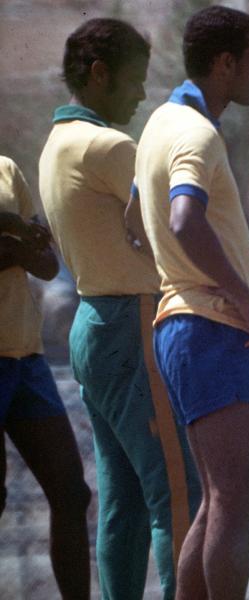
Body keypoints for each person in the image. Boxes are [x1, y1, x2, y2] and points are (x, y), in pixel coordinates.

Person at [37, 19, 201, 599]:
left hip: (92, 321)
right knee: (180, 493)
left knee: (124, 498)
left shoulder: (56, 146)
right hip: (133, 321)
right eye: (133, 81)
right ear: (99, 74)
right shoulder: (111, 146)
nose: (139, 94)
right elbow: (157, 230)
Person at [135, 6, 249, 598]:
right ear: (225, 63)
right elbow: (183, 217)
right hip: (210, 327)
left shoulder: (160, 124)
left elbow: (134, 220)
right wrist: (238, 291)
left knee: (220, 496)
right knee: (235, 495)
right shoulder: (197, 132)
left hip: (183, 326)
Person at [0, 156, 91, 600]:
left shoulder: (5, 170)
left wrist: (17, 242)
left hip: (25, 356)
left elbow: (48, 264)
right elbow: (24, 245)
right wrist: (17, 239)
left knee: (72, 494)